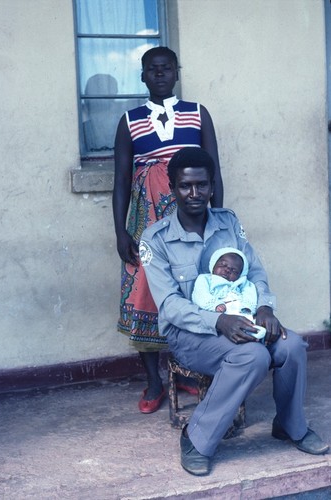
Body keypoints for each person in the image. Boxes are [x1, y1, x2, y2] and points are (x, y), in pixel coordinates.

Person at [139, 147, 329, 476]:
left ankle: (289, 425)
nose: (194, 193)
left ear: (213, 186)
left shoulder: (229, 223)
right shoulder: (156, 239)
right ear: (173, 189)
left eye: (202, 185)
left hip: (242, 321)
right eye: (185, 186)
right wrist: (218, 321)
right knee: (252, 357)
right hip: (189, 334)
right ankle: (196, 438)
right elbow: (170, 304)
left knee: (292, 345)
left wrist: (265, 307)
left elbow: (254, 272)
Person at [112, 46, 223, 414]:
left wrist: (218, 221)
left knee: (193, 288)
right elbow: (122, 180)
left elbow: (214, 171)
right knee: (145, 291)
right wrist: (121, 232)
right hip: (144, 220)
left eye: (166, 68)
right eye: (151, 69)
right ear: (142, 75)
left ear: (177, 71)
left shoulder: (197, 114)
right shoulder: (130, 120)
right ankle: (154, 381)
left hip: (190, 215)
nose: (159, 74)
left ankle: (189, 372)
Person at [192, 247, 258, 315]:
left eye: (234, 270)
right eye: (223, 265)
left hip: (240, 310)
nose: (227, 270)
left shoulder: (242, 282)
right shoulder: (205, 279)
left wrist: (247, 307)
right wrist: (215, 305)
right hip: (215, 312)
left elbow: (249, 293)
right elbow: (200, 294)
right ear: (213, 264)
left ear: (240, 275)